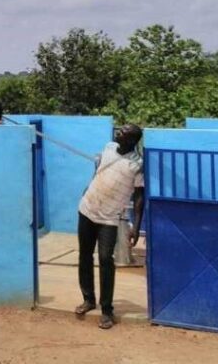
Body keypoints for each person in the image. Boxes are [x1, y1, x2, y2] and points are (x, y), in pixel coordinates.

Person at [74, 123, 144, 330]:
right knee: (85, 255)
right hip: (87, 209)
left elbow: (139, 197)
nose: (118, 132)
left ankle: (106, 310)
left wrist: (136, 226)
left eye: (124, 132)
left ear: (132, 140)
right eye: (120, 129)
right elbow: (98, 171)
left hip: (110, 218)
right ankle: (88, 299)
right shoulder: (108, 148)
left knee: (106, 259)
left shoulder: (137, 164)